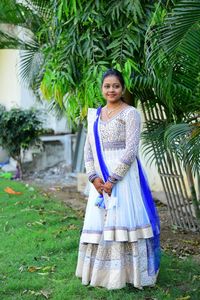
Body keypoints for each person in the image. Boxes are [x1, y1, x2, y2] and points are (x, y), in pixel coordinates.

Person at [75, 69, 160, 290]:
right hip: (99, 180)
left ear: (122, 89)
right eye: (107, 86)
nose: (111, 90)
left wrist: (113, 180)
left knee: (123, 220)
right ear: (101, 89)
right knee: (101, 222)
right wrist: (93, 177)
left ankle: (128, 275)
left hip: (123, 178)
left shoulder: (130, 113)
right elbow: (88, 150)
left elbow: (131, 150)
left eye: (116, 86)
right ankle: (101, 274)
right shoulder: (94, 115)